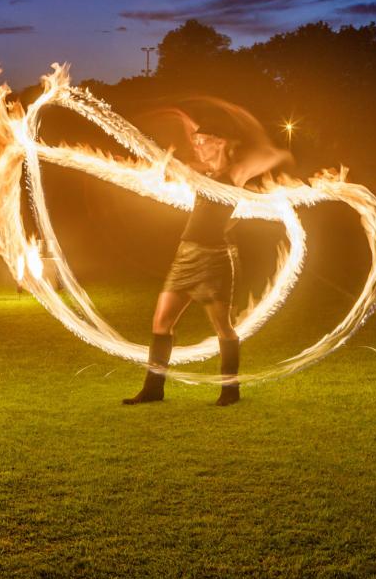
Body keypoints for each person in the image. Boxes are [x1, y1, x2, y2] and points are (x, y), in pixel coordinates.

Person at [124, 104, 290, 407]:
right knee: (161, 322)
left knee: (222, 326)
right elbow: (173, 167)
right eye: (196, 142)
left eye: (204, 141)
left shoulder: (233, 172)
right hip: (185, 254)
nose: (197, 146)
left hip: (214, 257)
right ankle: (153, 388)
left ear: (221, 141)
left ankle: (230, 388)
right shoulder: (204, 172)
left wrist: (278, 153)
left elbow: (264, 156)